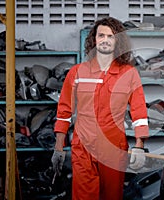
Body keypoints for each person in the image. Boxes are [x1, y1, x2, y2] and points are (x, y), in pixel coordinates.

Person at [51, 17, 149, 200]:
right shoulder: (77, 73)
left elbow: (139, 113)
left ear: (118, 41)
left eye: (111, 36)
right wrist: (58, 147)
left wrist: (139, 146)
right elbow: (64, 112)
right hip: (83, 149)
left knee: (111, 196)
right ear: (94, 40)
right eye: (101, 35)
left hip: (113, 149)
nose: (105, 40)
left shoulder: (129, 74)